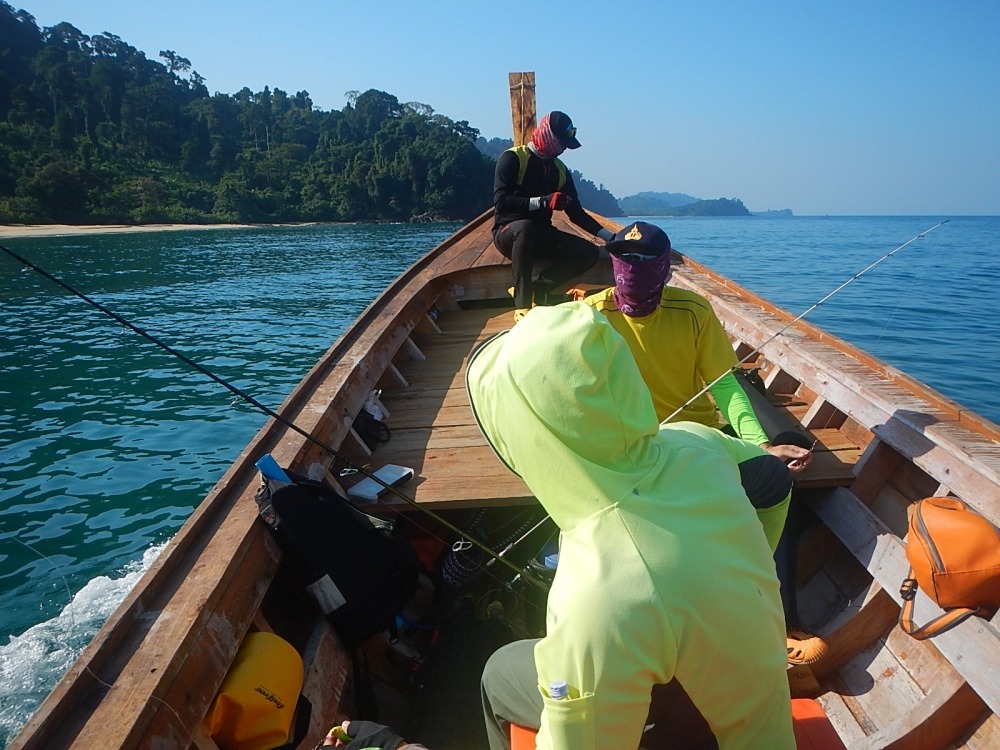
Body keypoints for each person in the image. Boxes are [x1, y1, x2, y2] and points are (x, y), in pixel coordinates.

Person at [466, 303, 796, 750]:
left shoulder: (594, 598)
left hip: (648, 684)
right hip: (745, 683)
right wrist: (757, 560)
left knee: (498, 669)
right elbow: (774, 480)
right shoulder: (697, 440)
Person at [580, 220, 826, 666]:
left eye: (645, 261)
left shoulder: (693, 311)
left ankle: (783, 617)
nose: (632, 270)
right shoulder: (590, 316)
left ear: (665, 269)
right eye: (624, 259)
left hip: (696, 439)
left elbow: (726, 388)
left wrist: (759, 445)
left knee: (777, 478)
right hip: (626, 449)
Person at [492, 110, 615, 322]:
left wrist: (610, 237)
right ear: (549, 135)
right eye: (561, 143)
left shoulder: (560, 170)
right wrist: (544, 201)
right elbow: (501, 202)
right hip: (508, 234)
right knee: (525, 227)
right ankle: (522, 305)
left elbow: (576, 213)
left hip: (541, 236)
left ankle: (536, 289)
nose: (563, 149)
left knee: (588, 253)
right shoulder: (512, 158)